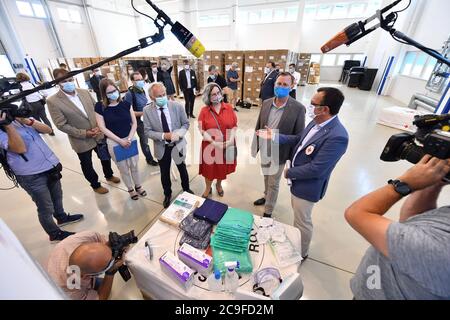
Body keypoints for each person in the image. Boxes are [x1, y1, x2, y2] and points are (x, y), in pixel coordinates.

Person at [257, 87, 349, 258]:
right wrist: (275, 136)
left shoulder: (338, 136)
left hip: (308, 186)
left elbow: (318, 168)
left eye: (314, 104)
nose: (310, 106)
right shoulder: (316, 122)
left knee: (302, 221)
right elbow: (299, 140)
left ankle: (302, 252)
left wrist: (289, 172)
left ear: (325, 109)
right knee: (298, 216)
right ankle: (296, 243)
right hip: (297, 181)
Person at [345, 156, 450, 300]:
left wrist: (405, 183)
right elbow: (412, 222)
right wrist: (432, 184)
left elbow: (356, 214)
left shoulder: (441, 250)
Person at [0, 113, 83, 242]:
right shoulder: (3, 130)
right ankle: (54, 233)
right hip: (30, 174)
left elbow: (48, 130)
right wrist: (8, 125)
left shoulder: (20, 120)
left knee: (57, 196)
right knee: (45, 207)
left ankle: (61, 217)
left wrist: (26, 121)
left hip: (49, 166)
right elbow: (20, 148)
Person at [47, 68, 121, 195]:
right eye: (64, 81)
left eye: (70, 79)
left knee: (105, 157)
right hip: (80, 139)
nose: (68, 83)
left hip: (98, 133)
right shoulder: (53, 101)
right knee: (87, 163)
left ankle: (109, 175)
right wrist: (84, 133)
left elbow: (97, 109)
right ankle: (95, 184)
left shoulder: (84, 92)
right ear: (57, 82)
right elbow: (61, 124)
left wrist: (99, 126)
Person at [252, 72, 306, 218]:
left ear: (291, 86)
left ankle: (268, 210)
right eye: (278, 84)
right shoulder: (267, 102)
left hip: (280, 152)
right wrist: (255, 146)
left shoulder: (298, 108)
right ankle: (265, 196)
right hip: (264, 148)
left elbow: (299, 137)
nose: (280, 87)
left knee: (273, 183)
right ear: (274, 84)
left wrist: (277, 137)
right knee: (265, 176)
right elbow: (259, 125)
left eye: (285, 85)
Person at [143, 83, 193, 208]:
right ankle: (167, 194)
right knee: (164, 172)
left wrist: (179, 134)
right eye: (159, 96)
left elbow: (186, 124)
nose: (162, 97)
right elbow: (147, 131)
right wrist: (163, 136)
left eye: (164, 94)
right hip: (162, 147)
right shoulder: (147, 110)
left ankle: (186, 189)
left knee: (182, 168)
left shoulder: (177, 106)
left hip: (178, 144)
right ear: (152, 97)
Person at [95, 79, 146, 200]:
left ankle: (138, 186)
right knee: (123, 168)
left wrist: (128, 138)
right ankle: (130, 189)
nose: (113, 93)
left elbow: (134, 123)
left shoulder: (126, 104)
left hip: (130, 138)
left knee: (134, 165)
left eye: (114, 90)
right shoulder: (100, 107)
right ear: (104, 94)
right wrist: (120, 141)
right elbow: (102, 127)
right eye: (109, 92)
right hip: (114, 142)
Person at [47, 231, 124, 300]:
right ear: (85, 276)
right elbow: (100, 298)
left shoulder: (84, 238)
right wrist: (110, 273)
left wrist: (114, 244)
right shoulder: (69, 287)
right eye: (109, 263)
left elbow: (102, 239)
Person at [198, 83, 237, 198]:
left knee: (222, 168)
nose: (217, 96)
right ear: (208, 97)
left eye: (218, 93)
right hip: (210, 146)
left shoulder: (229, 108)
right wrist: (214, 143)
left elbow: (234, 125)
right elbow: (201, 130)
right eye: (213, 94)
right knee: (209, 170)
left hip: (227, 144)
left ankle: (219, 185)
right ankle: (207, 188)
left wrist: (230, 141)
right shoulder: (204, 111)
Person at [123, 71, 158, 166]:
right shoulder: (129, 94)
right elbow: (128, 112)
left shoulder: (142, 90)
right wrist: (144, 112)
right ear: (132, 81)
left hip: (147, 118)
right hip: (138, 122)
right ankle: (149, 159)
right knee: (144, 140)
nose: (140, 81)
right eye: (137, 80)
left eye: (141, 79)